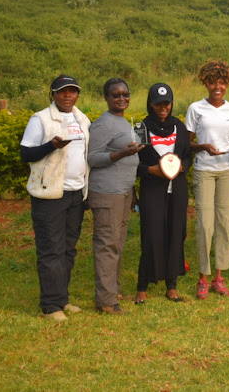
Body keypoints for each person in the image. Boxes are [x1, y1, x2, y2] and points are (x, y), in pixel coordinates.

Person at [20, 74, 90, 322]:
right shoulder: (40, 119)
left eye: (72, 91)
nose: (68, 95)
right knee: (51, 250)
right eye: (62, 91)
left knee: (68, 249)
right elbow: (25, 153)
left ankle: (62, 299)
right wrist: (51, 145)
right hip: (49, 194)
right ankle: (50, 306)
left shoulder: (82, 119)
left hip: (76, 193)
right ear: (53, 94)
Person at [186, 60, 229, 300]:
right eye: (212, 82)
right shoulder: (196, 108)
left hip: (228, 169)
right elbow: (188, 144)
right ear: (205, 82)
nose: (217, 87)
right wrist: (203, 147)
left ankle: (219, 277)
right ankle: (202, 277)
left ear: (227, 84)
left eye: (221, 82)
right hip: (205, 169)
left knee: (224, 223)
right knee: (205, 225)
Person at [87, 78, 144, 315]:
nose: (122, 99)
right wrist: (122, 153)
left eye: (125, 94)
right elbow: (92, 157)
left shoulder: (124, 121)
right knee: (107, 244)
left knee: (117, 243)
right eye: (116, 95)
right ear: (106, 98)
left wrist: (132, 192)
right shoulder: (103, 124)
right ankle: (106, 300)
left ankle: (115, 291)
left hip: (123, 192)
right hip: (107, 192)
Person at [134, 83, 192, 304]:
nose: (163, 107)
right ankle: (142, 286)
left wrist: (181, 168)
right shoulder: (141, 128)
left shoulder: (179, 126)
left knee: (176, 234)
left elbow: (187, 156)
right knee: (151, 235)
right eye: (158, 103)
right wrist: (151, 170)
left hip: (176, 190)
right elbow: (134, 162)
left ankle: (172, 285)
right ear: (150, 103)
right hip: (152, 189)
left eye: (166, 103)